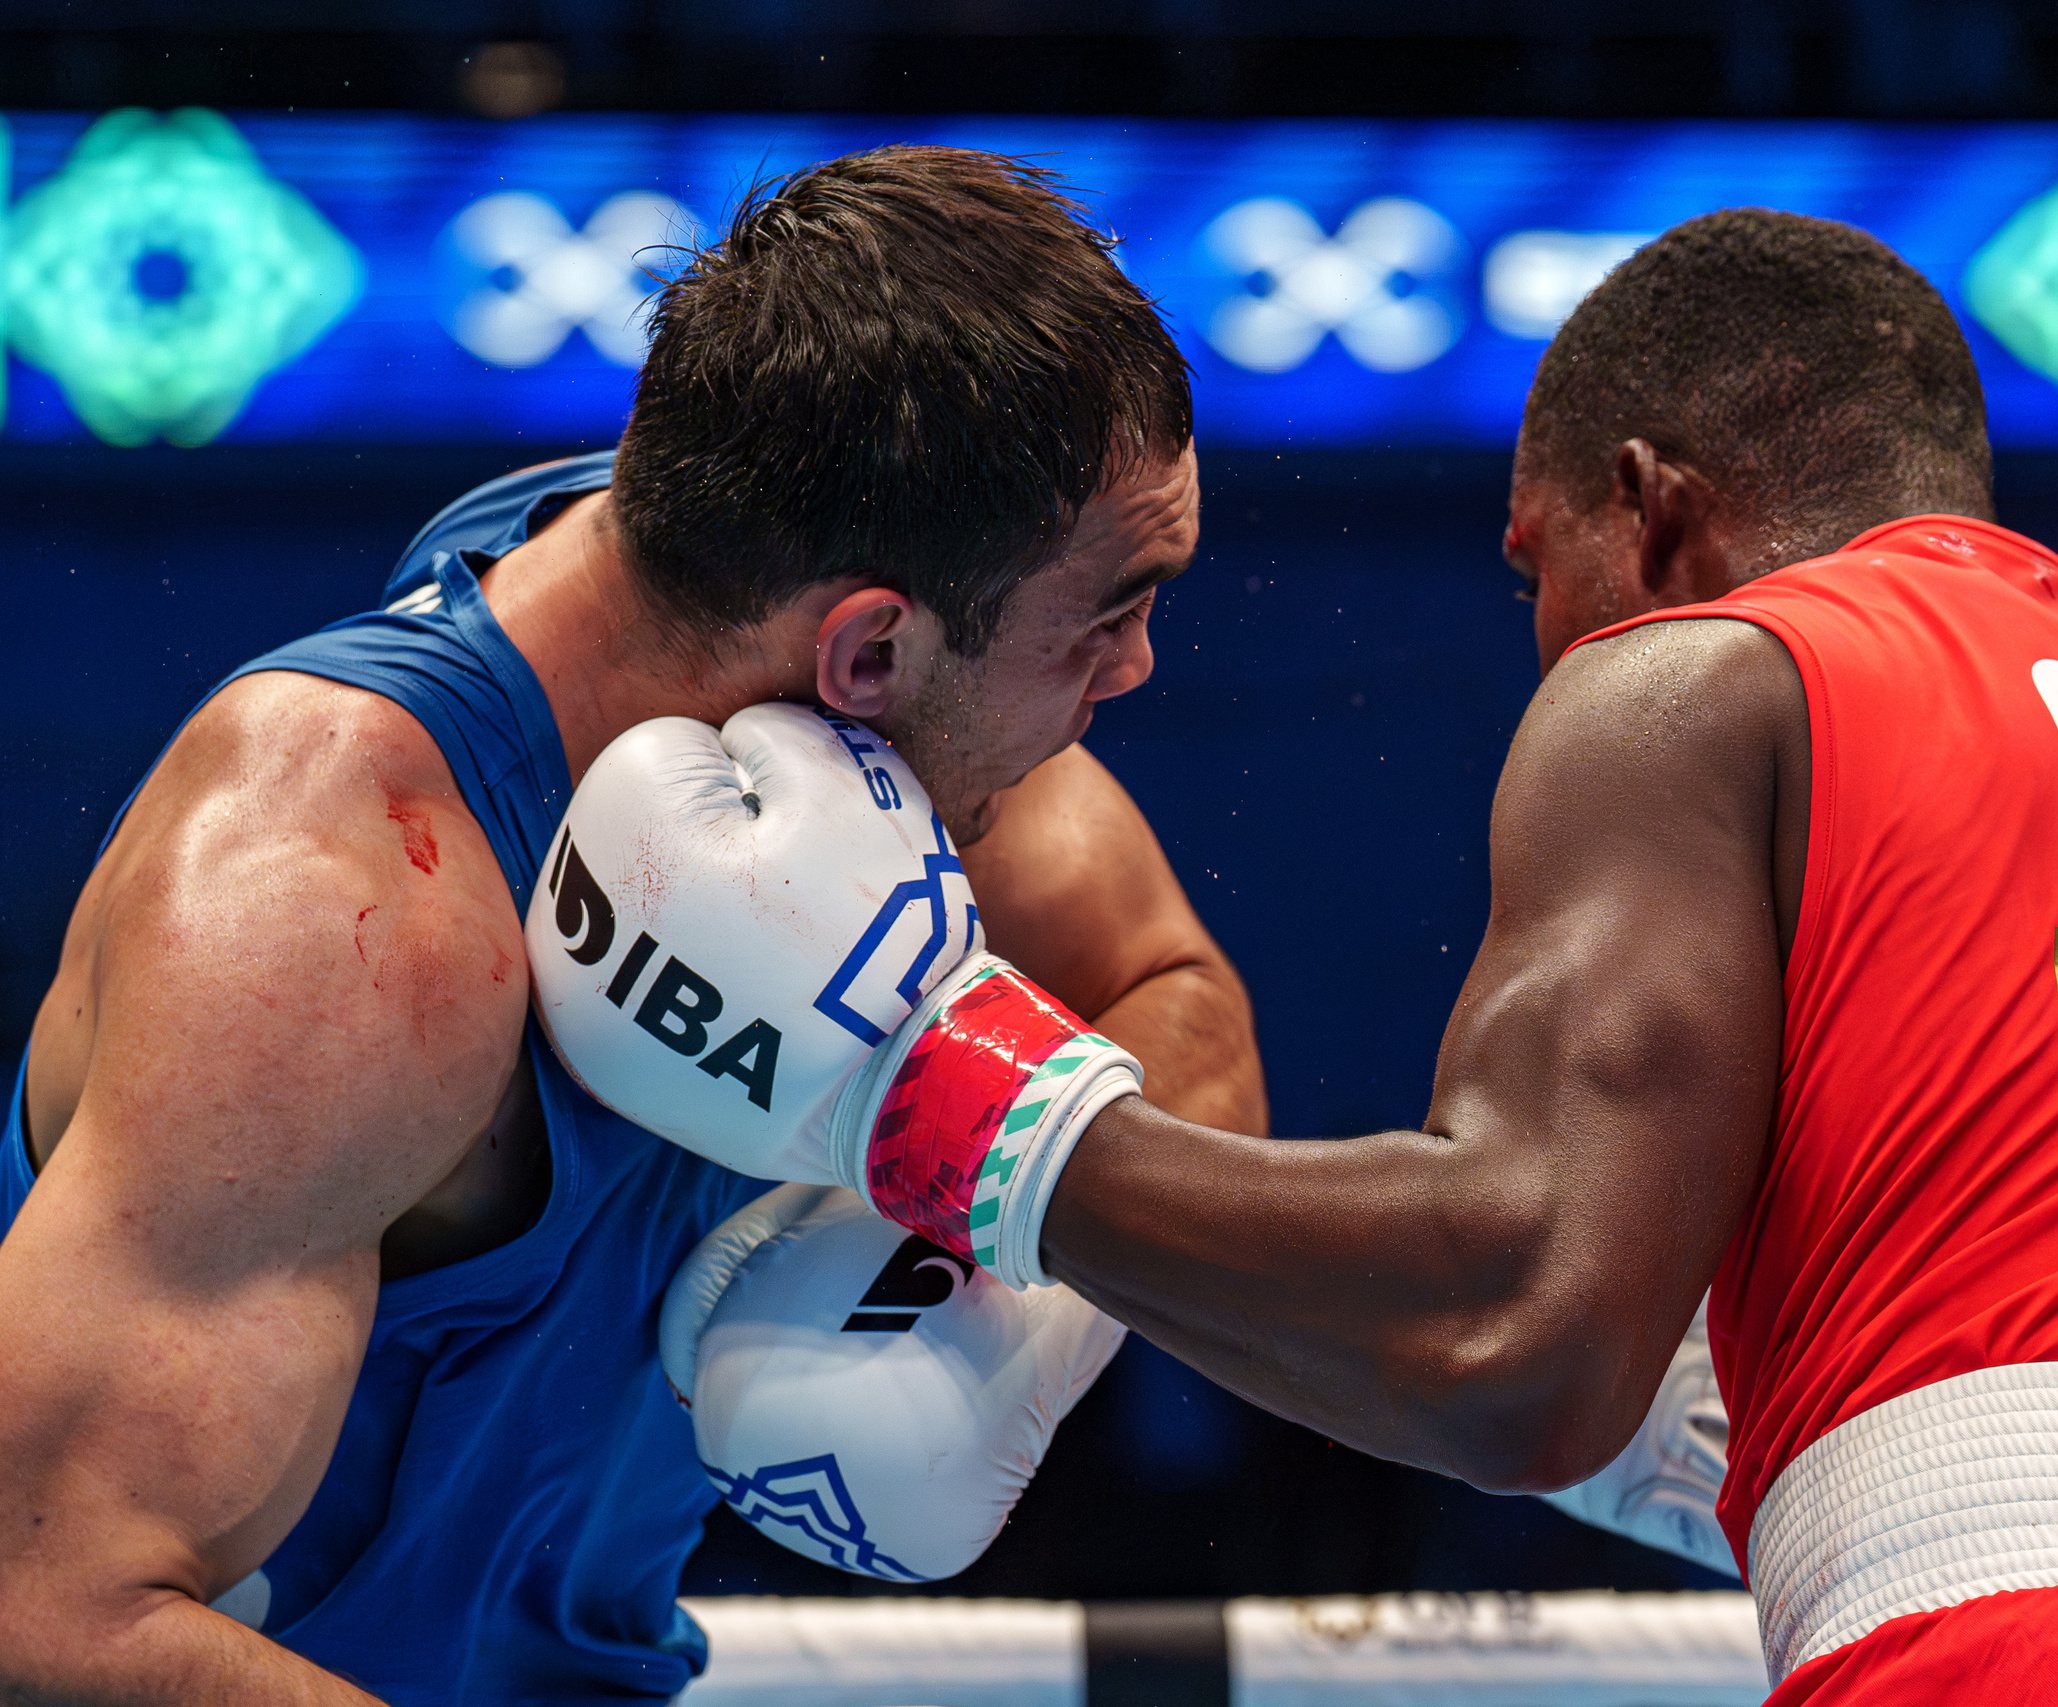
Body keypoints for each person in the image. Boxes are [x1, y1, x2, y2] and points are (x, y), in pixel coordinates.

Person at [819, 209, 2058, 1699]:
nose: (1546, 638)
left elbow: (1519, 1337)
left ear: (1649, 510)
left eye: (1533, 572)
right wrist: (1762, 1421)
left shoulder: (1717, 670)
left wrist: (950, 1109)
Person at [0, 146, 1263, 1704]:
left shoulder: (767, 646)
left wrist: (1007, 1312)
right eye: (1116, 609)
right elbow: (47, 1613)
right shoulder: (332, 907)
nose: (1136, 671)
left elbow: (1163, 985)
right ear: (871, 649)